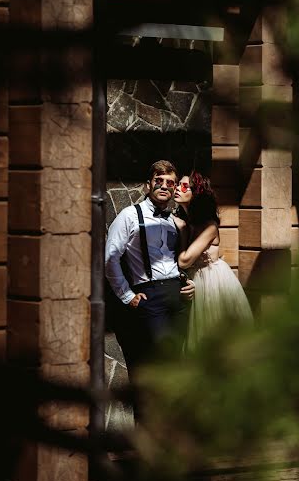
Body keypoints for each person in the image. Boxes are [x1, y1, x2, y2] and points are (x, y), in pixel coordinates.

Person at [105, 160, 195, 418]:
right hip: (149, 296)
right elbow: (110, 258)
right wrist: (127, 296)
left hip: (177, 298)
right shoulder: (129, 216)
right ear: (148, 184)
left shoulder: (174, 221)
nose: (165, 186)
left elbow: (180, 258)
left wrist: (187, 282)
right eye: (159, 180)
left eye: (170, 182)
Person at [173, 171, 253, 350]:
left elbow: (184, 261)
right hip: (196, 280)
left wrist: (184, 231)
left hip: (212, 282)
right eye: (178, 184)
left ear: (197, 193)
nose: (178, 188)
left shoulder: (209, 225)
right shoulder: (188, 221)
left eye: (184, 186)